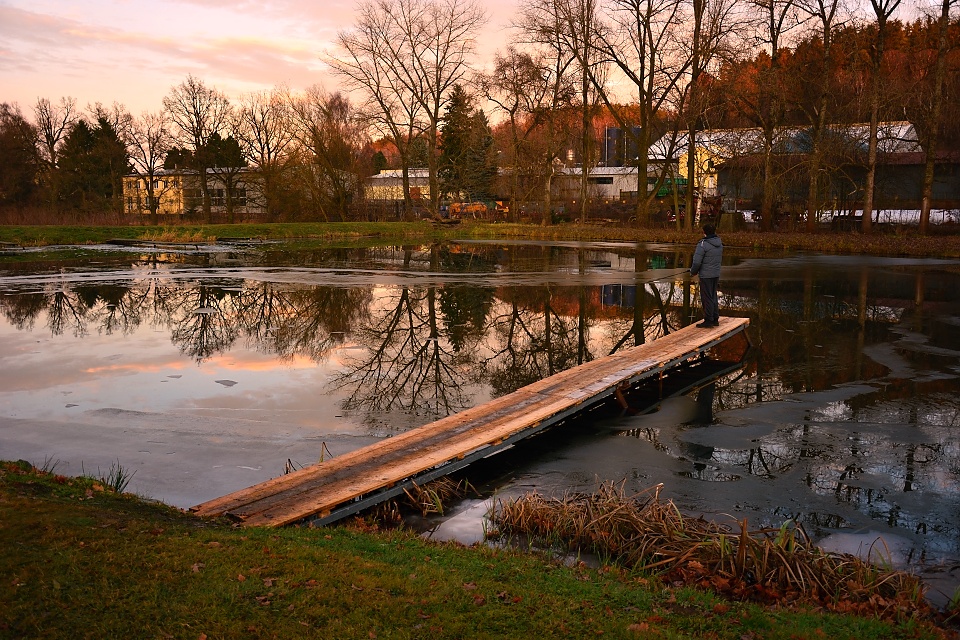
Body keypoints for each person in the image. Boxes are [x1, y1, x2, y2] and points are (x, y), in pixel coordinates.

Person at [689, 223, 722, 328]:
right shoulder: (719, 243)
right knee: (713, 295)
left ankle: (708, 320)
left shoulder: (703, 244)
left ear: (704, 232)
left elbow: (697, 262)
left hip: (706, 275)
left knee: (707, 297)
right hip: (715, 274)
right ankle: (715, 318)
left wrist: (693, 272)